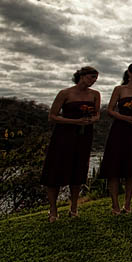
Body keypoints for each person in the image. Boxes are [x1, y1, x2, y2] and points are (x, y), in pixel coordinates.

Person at [41, 66, 100, 222]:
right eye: (91, 77)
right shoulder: (65, 93)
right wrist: (74, 121)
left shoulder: (95, 95)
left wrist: (91, 120)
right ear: (81, 76)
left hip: (84, 135)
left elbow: (97, 114)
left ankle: (74, 207)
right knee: (56, 170)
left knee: (78, 170)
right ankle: (53, 211)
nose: (93, 81)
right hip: (64, 135)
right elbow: (52, 116)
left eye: (95, 79)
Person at [98, 62, 132, 215]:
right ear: (129, 73)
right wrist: (125, 118)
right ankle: (115, 205)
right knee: (114, 167)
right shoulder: (119, 89)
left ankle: (127, 204)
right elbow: (110, 110)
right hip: (120, 130)